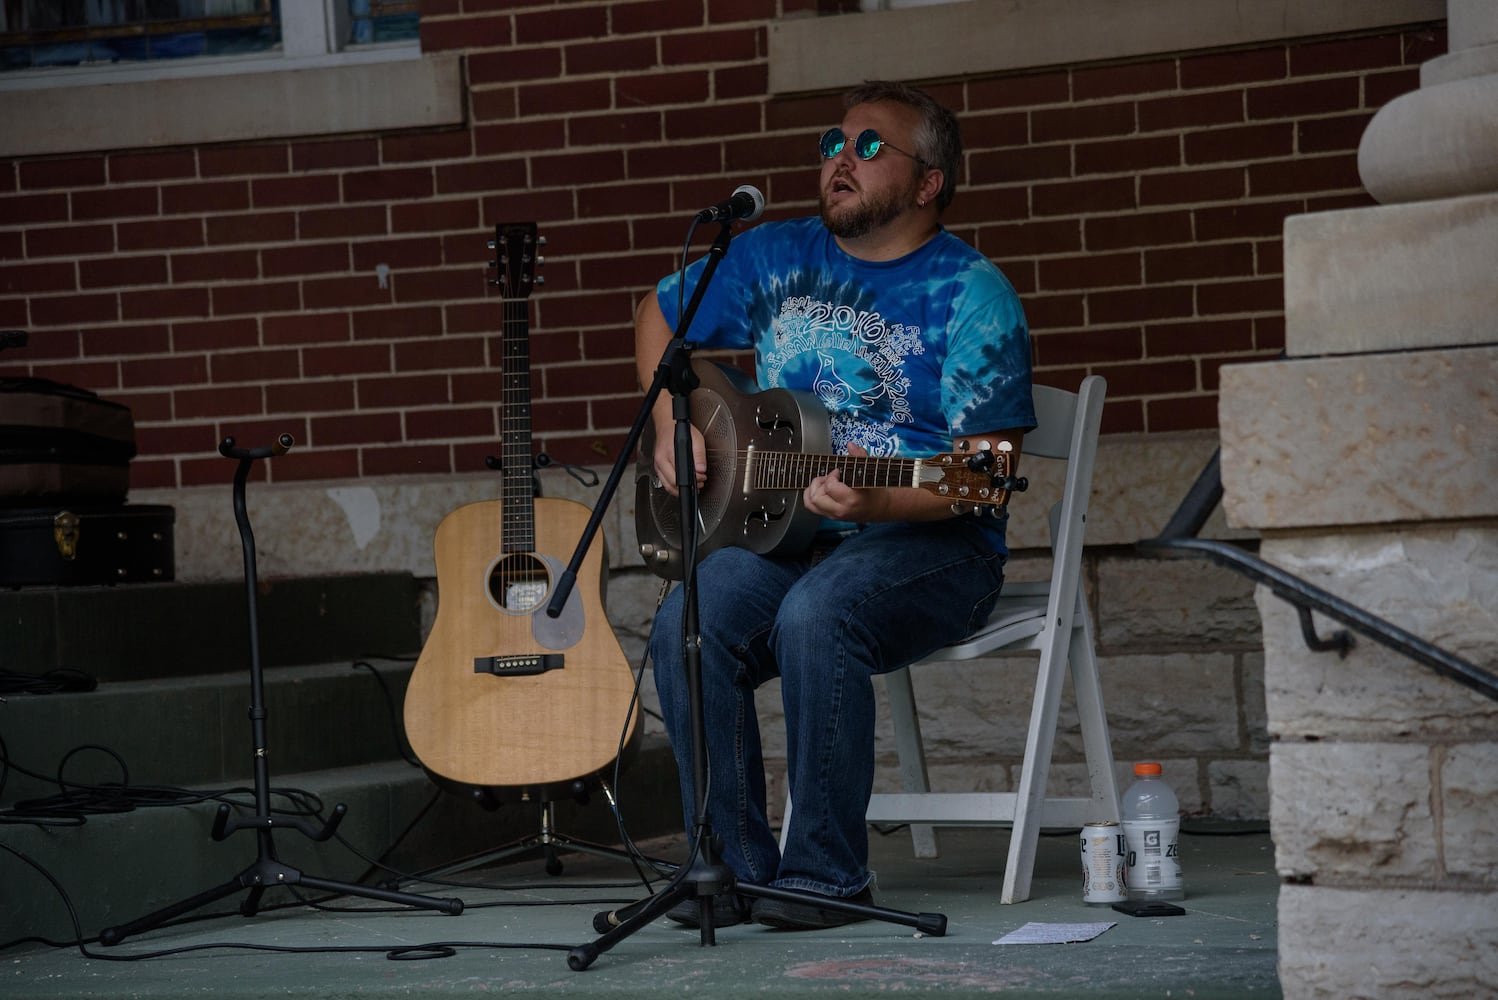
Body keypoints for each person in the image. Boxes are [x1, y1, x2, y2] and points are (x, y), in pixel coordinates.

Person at [634, 80, 1036, 930]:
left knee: (820, 612)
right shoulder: (773, 255)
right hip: (793, 530)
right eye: (831, 144)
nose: (838, 161)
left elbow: (987, 477)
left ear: (928, 182)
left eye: (866, 147)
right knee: (687, 620)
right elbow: (655, 317)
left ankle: (824, 878)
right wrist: (675, 429)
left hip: (937, 546)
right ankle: (730, 873)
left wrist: (881, 502)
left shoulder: (973, 296)